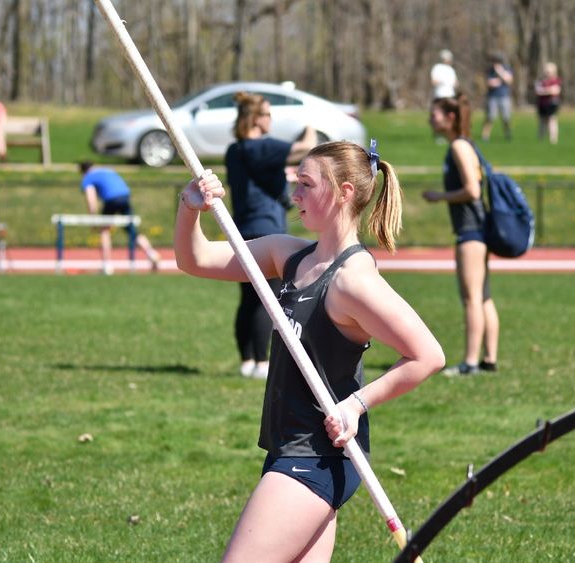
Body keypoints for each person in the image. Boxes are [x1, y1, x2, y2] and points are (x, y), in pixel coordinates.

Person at [175, 141, 445, 562]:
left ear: (344, 192)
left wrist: (356, 405)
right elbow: (195, 259)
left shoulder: (353, 282)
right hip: (290, 450)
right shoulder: (289, 256)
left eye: (305, 184)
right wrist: (190, 207)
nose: (294, 195)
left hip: (316, 458)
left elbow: (428, 355)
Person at [225, 92, 317, 379]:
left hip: (242, 229)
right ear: (255, 118)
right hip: (267, 229)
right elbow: (307, 147)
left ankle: (247, 361)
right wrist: (311, 123)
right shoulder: (262, 147)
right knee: (271, 298)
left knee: (249, 298)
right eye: (267, 114)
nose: (271, 119)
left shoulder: (235, 150)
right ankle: (263, 364)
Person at [423, 93, 500, 376]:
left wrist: (438, 196)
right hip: (476, 230)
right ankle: (489, 359)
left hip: (471, 231)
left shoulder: (458, 146)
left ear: (450, 117)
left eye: (435, 115)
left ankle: (469, 363)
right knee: (483, 297)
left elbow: (472, 190)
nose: (430, 119)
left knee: (471, 298)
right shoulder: (465, 145)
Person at [79, 161, 161, 274]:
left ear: (83, 172)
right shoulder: (106, 170)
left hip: (111, 199)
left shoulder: (87, 177)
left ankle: (107, 265)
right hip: (125, 196)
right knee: (131, 230)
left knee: (104, 230)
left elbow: (90, 197)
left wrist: (93, 218)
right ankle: (151, 253)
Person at [480, 53, 513, 142]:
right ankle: (485, 136)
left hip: (504, 96)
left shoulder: (507, 69)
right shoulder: (490, 70)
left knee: (506, 117)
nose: (495, 63)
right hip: (492, 96)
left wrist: (500, 73)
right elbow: (489, 83)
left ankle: (508, 133)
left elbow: (509, 80)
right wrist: (498, 81)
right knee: (490, 116)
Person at [535, 62, 562, 144]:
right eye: (546, 71)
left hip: (552, 104)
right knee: (541, 122)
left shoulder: (556, 81)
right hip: (542, 104)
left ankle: (553, 140)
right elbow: (538, 91)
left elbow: (556, 91)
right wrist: (549, 90)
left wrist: (545, 90)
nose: (547, 73)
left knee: (552, 121)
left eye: (549, 72)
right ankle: (540, 140)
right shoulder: (540, 80)